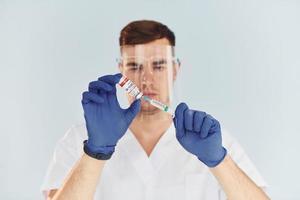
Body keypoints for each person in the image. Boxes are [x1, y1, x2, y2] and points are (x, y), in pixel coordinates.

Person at [41, 20, 270, 200]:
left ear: (175, 70)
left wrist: (219, 161)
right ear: (121, 70)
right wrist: (95, 152)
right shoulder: (81, 140)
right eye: (134, 66)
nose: (146, 79)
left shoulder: (211, 140)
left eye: (159, 66)